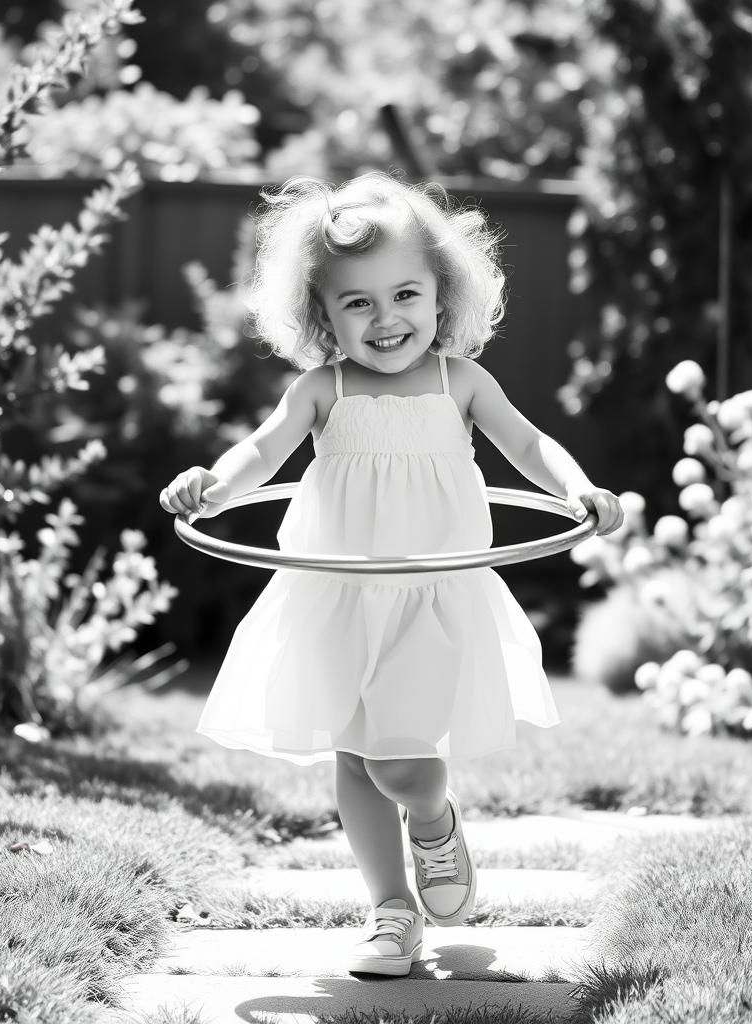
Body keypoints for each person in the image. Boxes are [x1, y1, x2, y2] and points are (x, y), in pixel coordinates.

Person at [159, 172, 623, 977]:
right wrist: (214, 485)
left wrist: (577, 487)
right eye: (358, 303)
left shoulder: (460, 381)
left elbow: (528, 444)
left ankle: (433, 819)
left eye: (405, 294)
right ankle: (390, 911)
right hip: (338, 596)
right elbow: (260, 453)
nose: (386, 319)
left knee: (398, 758)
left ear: (442, 293)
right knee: (353, 754)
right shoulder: (322, 389)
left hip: (431, 597)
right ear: (322, 313)